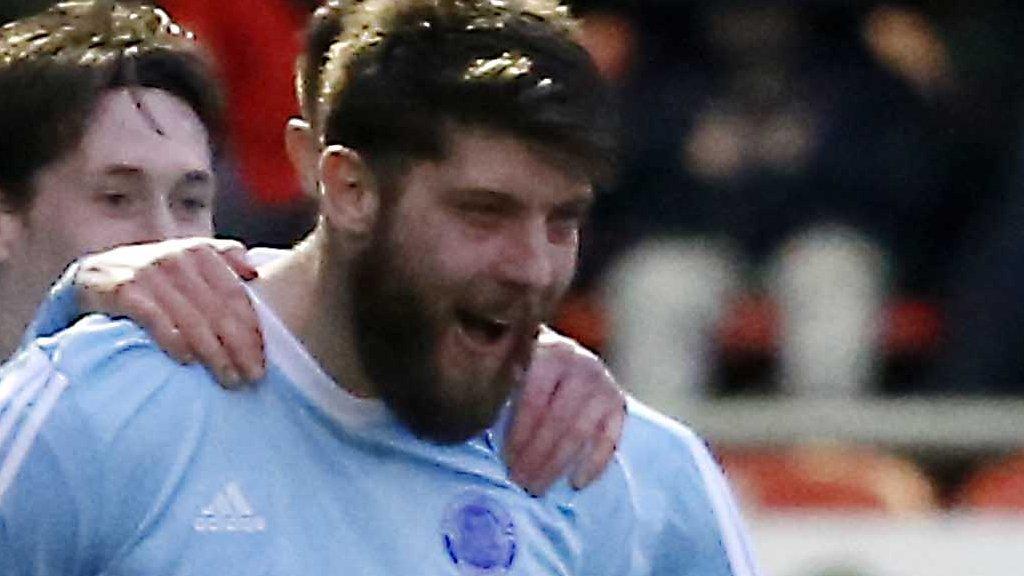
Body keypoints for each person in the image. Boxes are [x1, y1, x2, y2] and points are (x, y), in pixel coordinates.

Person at [1, 0, 758, 573]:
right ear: (347, 187)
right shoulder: (99, 412)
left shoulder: (628, 471)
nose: (532, 265)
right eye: (483, 212)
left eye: (562, 221)